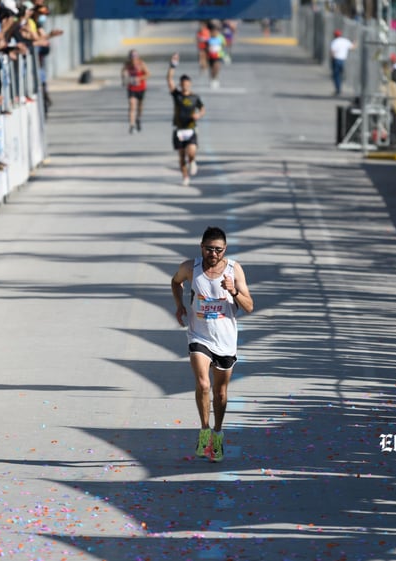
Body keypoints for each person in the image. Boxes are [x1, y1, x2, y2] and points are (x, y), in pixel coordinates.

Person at [171, 227, 254, 462]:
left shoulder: (233, 270)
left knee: (220, 393)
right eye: (209, 249)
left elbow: (249, 306)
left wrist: (234, 291)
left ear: (224, 250)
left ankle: (218, 433)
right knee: (203, 384)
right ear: (201, 247)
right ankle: (204, 430)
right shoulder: (190, 267)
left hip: (226, 340)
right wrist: (180, 305)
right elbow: (175, 282)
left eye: (218, 250)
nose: (213, 254)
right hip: (199, 336)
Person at [167, 53, 206, 186]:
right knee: (181, 156)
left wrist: (198, 115)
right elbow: (169, 80)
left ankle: (193, 161)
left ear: (190, 84)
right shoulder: (177, 95)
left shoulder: (195, 97)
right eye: (183, 84)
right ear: (181, 84)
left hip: (191, 129)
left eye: (187, 84)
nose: (185, 86)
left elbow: (202, 109)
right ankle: (185, 176)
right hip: (179, 129)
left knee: (192, 151)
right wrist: (173, 65)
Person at [121, 49, 149, 134]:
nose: (134, 59)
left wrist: (139, 78)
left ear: (137, 57)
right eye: (132, 57)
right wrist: (124, 79)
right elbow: (123, 73)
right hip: (131, 88)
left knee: (140, 106)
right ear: (129, 58)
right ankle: (132, 125)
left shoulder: (142, 64)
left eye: (135, 57)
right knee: (132, 104)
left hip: (141, 88)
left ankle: (138, 118)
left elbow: (148, 74)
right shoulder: (127, 65)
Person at [329, 29, 355, 96]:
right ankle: (340, 87)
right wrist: (356, 42)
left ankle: (338, 89)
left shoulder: (334, 41)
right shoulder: (345, 41)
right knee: (340, 75)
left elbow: (332, 52)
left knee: (336, 75)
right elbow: (352, 47)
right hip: (343, 60)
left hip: (336, 59)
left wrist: (332, 59)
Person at [205, 24, 227, 89]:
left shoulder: (221, 38)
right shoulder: (209, 38)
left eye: (216, 31)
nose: (214, 33)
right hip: (210, 56)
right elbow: (206, 47)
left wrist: (221, 52)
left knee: (216, 67)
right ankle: (212, 79)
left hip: (218, 55)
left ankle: (216, 79)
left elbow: (223, 45)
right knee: (212, 69)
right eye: (213, 31)